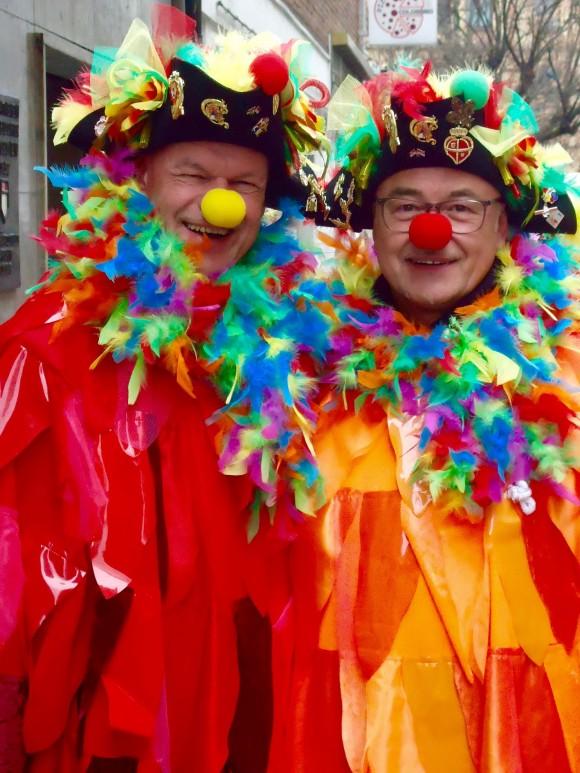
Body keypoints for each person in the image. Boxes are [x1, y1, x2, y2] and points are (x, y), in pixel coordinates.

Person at [0, 7, 335, 770]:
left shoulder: (290, 345)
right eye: (194, 174)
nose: (219, 205)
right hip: (104, 730)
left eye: (242, 184)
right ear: (140, 177)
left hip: (252, 714)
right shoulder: (48, 345)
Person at [271, 64, 580, 771]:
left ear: (503, 225)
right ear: (370, 225)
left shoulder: (566, 384)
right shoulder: (301, 383)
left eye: (461, 207)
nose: (430, 229)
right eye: (403, 204)